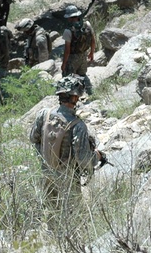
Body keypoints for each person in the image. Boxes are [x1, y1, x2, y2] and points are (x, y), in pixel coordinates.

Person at [28, 75, 103, 210]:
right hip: (67, 179)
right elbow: (83, 159)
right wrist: (97, 157)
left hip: (46, 173)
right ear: (75, 97)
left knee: (51, 213)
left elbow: (33, 138)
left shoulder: (44, 114)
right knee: (73, 215)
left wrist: (46, 159)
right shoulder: (78, 125)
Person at [61, 5, 95, 81]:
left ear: (69, 17)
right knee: (82, 76)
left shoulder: (68, 31)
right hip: (84, 55)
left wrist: (64, 63)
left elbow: (67, 50)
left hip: (72, 59)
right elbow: (93, 40)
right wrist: (92, 52)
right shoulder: (87, 24)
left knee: (68, 79)